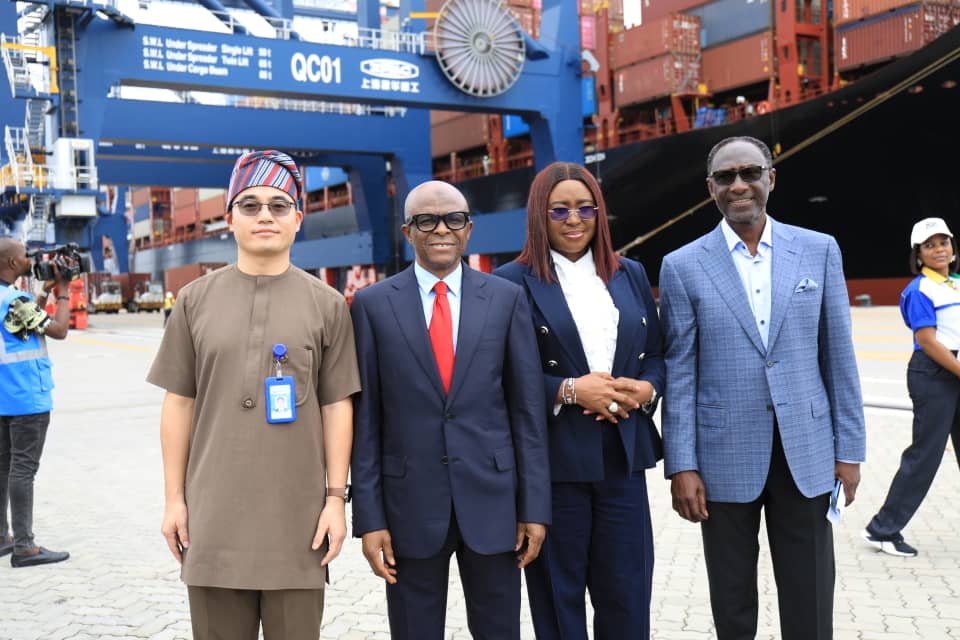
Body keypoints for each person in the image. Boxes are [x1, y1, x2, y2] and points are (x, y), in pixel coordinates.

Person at [658, 135, 866, 640]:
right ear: (711, 189)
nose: (739, 185)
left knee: (811, 595)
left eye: (750, 172)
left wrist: (850, 451)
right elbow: (680, 372)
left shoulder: (819, 251)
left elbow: (838, 357)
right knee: (731, 600)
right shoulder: (682, 265)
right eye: (726, 177)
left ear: (771, 179)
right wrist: (680, 464)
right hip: (722, 455)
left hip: (808, 451)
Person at [146, 150, 359, 640]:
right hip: (213, 517)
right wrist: (173, 500)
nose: (265, 215)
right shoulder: (195, 301)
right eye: (250, 205)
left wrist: (334, 501)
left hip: (298, 520)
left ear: (299, 219)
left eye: (280, 205)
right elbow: (178, 404)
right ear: (229, 219)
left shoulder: (327, 305)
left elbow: (336, 406)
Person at [350, 180, 551, 640]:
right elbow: (367, 422)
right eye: (426, 220)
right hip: (409, 508)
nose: (441, 229)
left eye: (453, 219)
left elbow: (527, 413)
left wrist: (534, 507)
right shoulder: (372, 306)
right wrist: (371, 519)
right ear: (407, 231)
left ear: (468, 229)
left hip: (495, 504)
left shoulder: (505, 299)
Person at [494, 162, 664, 639]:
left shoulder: (630, 274)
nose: (574, 219)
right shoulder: (511, 282)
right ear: (538, 216)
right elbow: (497, 377)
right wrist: (570, 390)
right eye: (560, 210)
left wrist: (647, 389)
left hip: (623, 462)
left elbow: (657, 354)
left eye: (585, 208)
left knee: (628, 597)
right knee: (558, 600)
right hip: (554, 467)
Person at [862, 217, 960, 557]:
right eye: (929, 245)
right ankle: (882, 529)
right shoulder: (919, 290)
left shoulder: (956, 284)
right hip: (934, 374)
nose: (938, 250)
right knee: (926, 455)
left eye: (943, 242)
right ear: (918, 254)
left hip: (956, 368)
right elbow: (929, 342)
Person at [0, 238, 73, 567]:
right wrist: (65, 291)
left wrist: (42, 293)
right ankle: (25, 546)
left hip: (4, 397)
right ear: (13, 264)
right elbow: (58, 330)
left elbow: (21, 326)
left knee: (4, 468)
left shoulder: (9, 300)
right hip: (27, 398)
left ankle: (3, 537)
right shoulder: (14, 299)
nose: (30, 260)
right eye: (25, 256)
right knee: (23, 470)